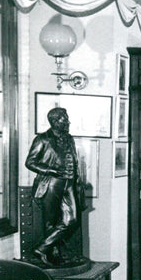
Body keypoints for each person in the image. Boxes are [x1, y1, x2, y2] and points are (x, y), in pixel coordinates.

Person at [25, 107, 84, 266]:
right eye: (64, 119)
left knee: (72, 219)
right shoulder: (43, 139)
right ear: (55, 121)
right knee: (50, 222)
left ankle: (41, 248)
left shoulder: (69, 138)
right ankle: (53, 254)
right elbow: (30, 162)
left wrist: (77, 181)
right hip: (52, 183)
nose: (68, 122)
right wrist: (51, 170)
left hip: (69, 184)